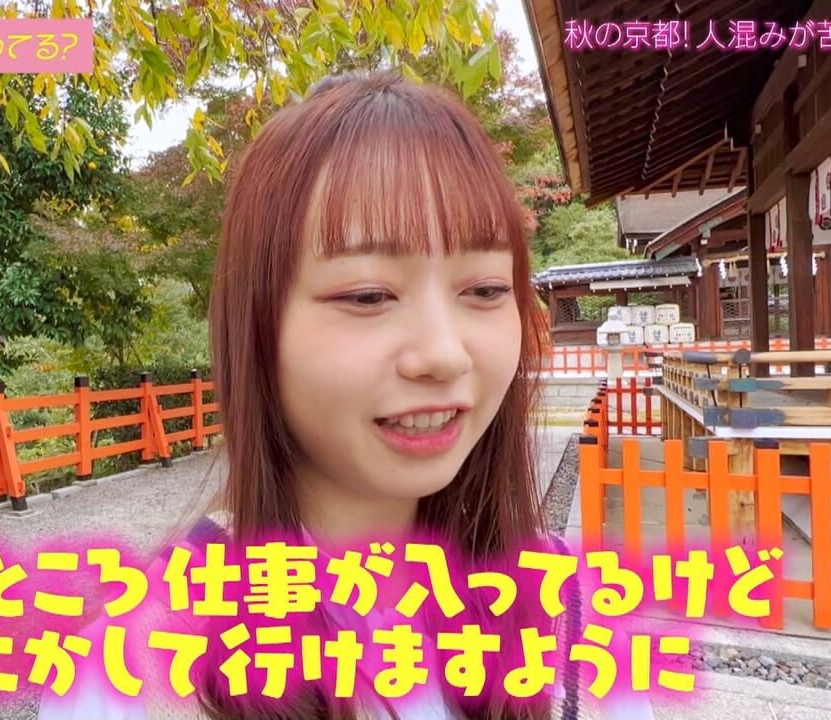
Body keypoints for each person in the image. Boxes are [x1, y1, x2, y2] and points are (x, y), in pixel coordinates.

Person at [40, 70, 655, 720]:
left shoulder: (574, 616)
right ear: (256, 331)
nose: (444, 355)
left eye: (485, 290)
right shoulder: (136, 671)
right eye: (367, 295)